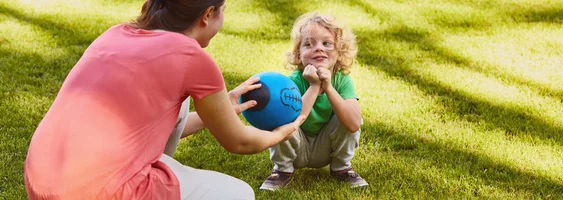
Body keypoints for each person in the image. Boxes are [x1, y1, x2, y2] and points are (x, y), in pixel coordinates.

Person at [23, 0, 304, 199]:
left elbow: (152, 122)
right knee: (239, 194)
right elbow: (239, 141)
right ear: (207, 14)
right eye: (223, 11)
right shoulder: (191, 56)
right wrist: (282, 132)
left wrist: (223, 106)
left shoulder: (115, 34)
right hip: (100, 192)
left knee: (178, 99)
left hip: (42, 182)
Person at [259, 12, 368, 191]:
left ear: (339, 52)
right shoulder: (293, 81)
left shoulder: (342, 80)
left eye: (327, 43)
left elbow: (354, 123)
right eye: (309, 44)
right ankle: (282, 170)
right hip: (296, 149)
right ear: (298, 53)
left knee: (349, 113)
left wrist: (329, 88)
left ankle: (342, 167)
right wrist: (314, 86)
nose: (318, 48)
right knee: (281, 118)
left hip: (327, 149)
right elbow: (294, 119)